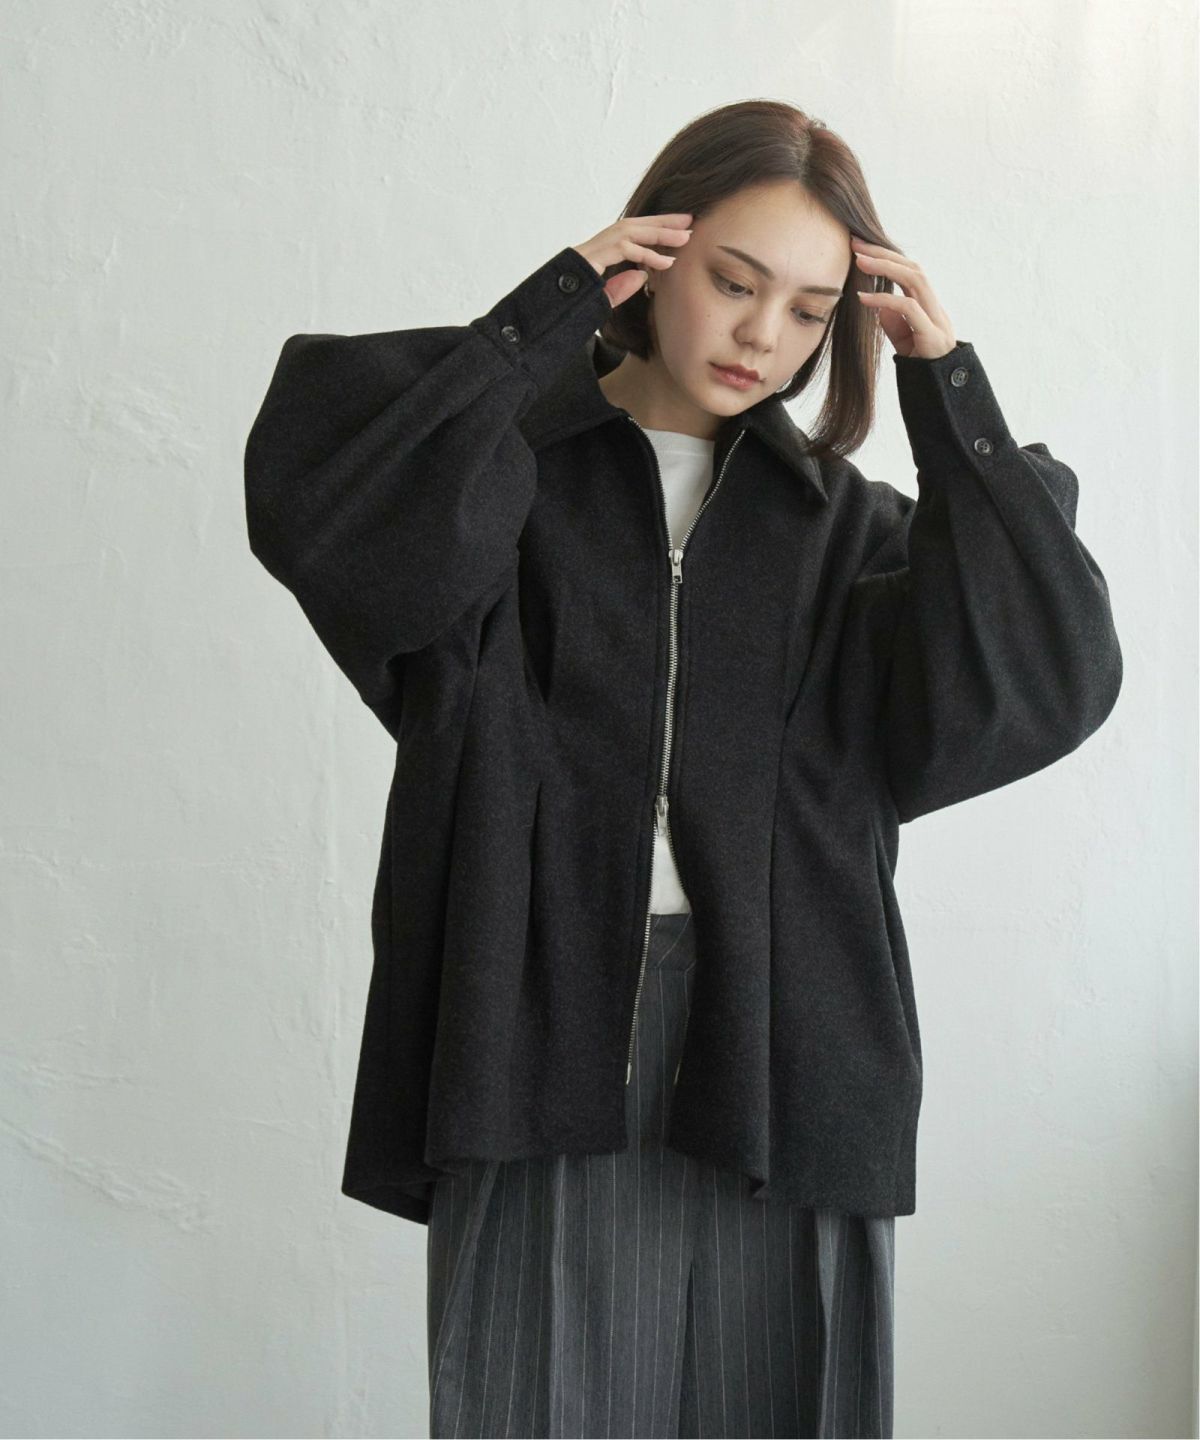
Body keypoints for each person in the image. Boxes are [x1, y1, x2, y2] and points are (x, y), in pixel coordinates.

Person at [243, 98, 1122, 1438]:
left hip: (788, 1051)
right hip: (530, 1027)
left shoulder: (857, 541)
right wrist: (544, 316)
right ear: (652, 257)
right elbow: (327, 503)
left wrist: (951, 391)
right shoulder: (497, 492)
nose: (764, 333)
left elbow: (1054, 668)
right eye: (734, 280)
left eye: (810, 309)